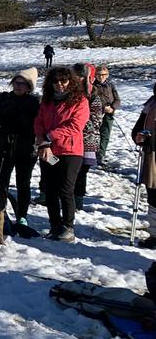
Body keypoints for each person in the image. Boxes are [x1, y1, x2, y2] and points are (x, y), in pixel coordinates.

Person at [34, 67, 89, 242]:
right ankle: (55, 225)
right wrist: (42, 142)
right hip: (48, 150)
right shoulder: (47, 101)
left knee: (66, 190)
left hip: (70, 151)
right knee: (49, 190)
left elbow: (75, 126)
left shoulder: (80, 100)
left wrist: (49, 136)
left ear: (70, 82)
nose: (60, 85)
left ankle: (68, 226)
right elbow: (39, 122)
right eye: (56, 82)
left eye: (63, 81)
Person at [0, 67, 40, 226]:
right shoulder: (4, 98)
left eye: (23, 83)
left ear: (29, 87)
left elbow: (38, 125)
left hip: (26, 148)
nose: (18, 86)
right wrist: (0, 123)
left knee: (23, 182)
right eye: (16, 82)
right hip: (4, 146)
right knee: (1, 182)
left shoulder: (33, 102)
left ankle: (22, 215)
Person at [71, 63, 103, 212]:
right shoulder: (68, 95)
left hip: (87, 141)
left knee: (81, 172)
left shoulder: (94, 98)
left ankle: (78, 199)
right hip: (68, 141)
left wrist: (76, 123)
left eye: (79, 75)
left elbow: (96, 121)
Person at [131, 82, 156, 249]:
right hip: (151, 155)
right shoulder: (151, 103)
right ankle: (154, 234)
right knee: (153, 196)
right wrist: (138, 136)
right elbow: (139, 127)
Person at [93, 66, 121, 165]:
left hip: (109, 114)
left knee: (105, 135)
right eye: (99, 74)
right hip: (95, 115)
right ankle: (93, 154)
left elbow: (117, 99)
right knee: (95, 135)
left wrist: (112, 108)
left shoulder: (111, 85)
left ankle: (101, 154)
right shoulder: (92, 86)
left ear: (107, 75)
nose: (101, 77)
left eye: (103, 75)